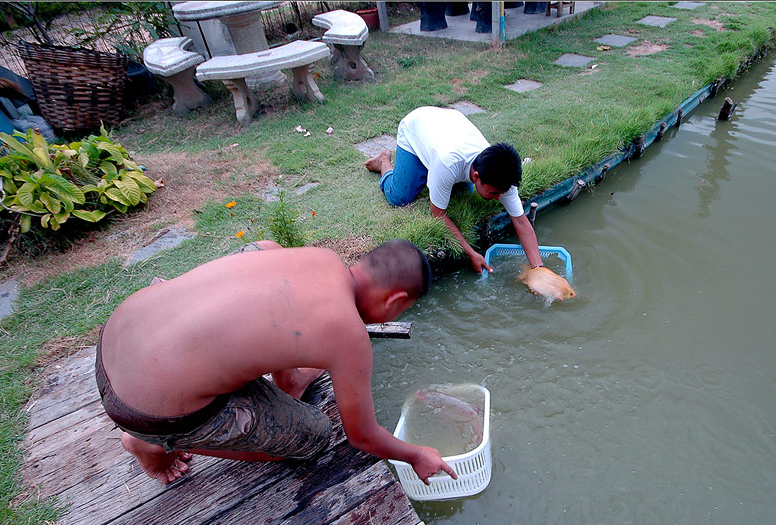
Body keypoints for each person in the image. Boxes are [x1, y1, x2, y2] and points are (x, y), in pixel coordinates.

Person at [95, 239, 457, 485]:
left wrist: (291, 381)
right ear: (395, 302)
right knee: (315, 436)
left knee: (264, 249)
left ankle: (289, 382)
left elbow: (287, 325)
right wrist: (416, 455)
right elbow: (362, 435)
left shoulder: (322, 258)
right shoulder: (348, 334)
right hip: (142, 409)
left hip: (119, 333)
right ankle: (155, 444)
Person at [366, 106, 544, 274]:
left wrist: (538, 270)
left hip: (450, 124)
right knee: (400, 197)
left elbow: (520, 222)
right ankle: (384, 163)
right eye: (494, 193)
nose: (499, 198)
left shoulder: (504, 174)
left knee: (459, 194)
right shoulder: (448, 163)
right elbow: (437, 213)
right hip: (416, 127)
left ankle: (430, 174)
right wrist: (471, 252)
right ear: (476, 177)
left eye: (501, 193)